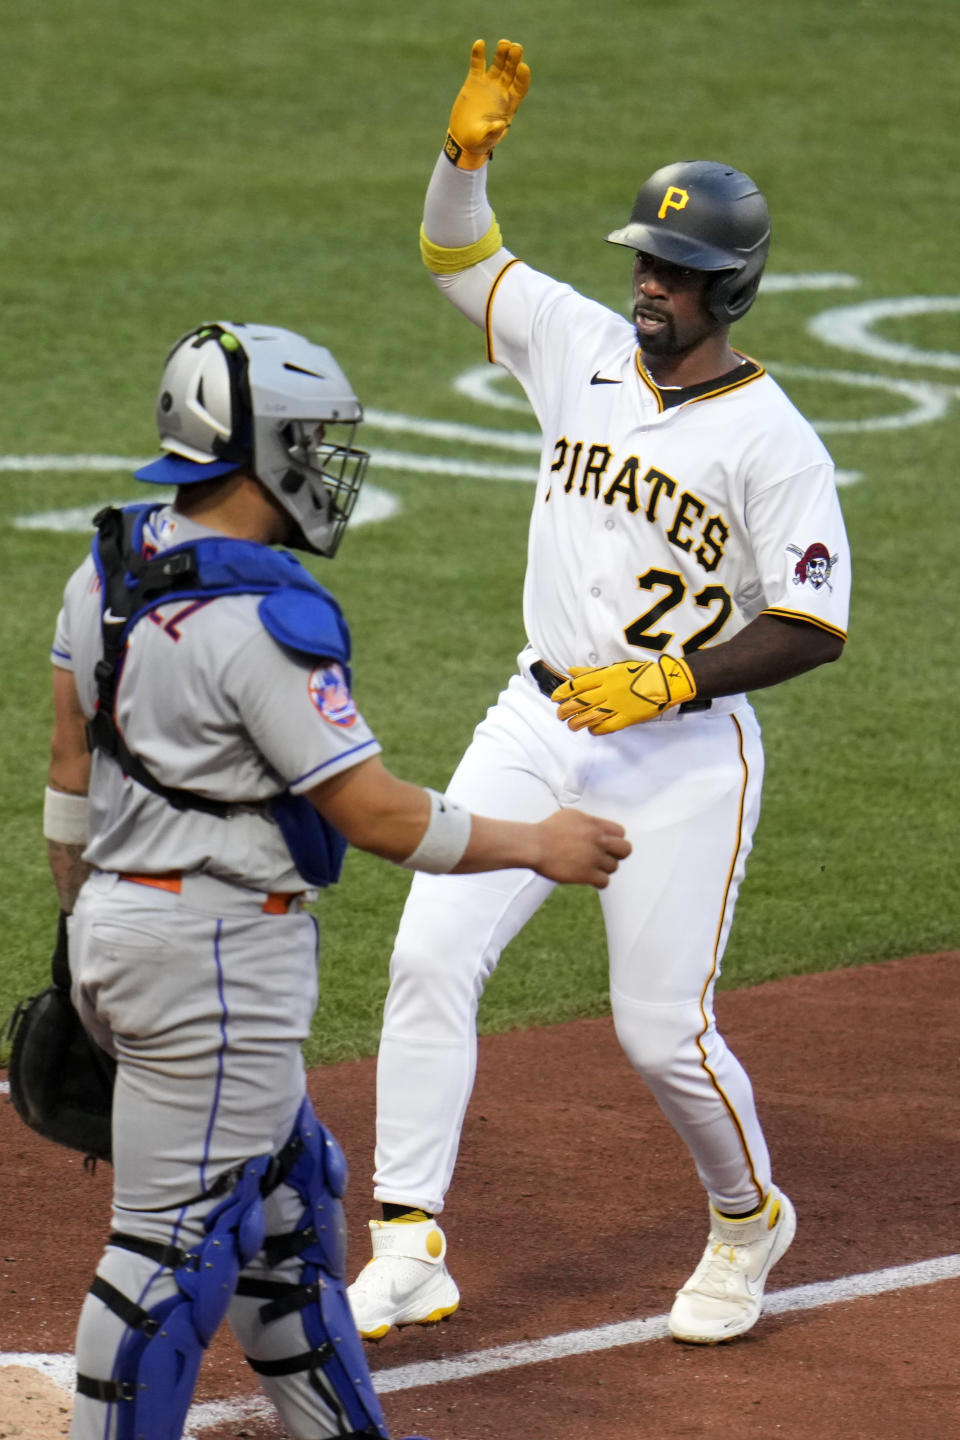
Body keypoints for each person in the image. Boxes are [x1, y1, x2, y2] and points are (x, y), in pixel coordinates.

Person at [346, 40, 851, 1347]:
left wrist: (673, 678)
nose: (649, 285)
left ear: (729, 289)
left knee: (658, 1034)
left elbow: (813, 623)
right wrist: (464, 159)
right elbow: (461, 259)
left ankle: (747, 1220)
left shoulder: (773, 442)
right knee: (429, 955)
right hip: (538, 719)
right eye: (644, 260)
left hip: (681, 759)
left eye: (677, 275)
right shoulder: (573, 343)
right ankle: (407, 1239)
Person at [44, 319, 630, 1440]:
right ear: (255, 449)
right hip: (217, 962)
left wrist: (82, 939)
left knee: (290, 1205)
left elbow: (69, 771)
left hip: (126, 931)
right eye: (308, 441)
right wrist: (540, 843)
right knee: (167, 1254)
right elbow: (373, 813)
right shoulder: (260, 618)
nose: (323, 465)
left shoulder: (110, 562)